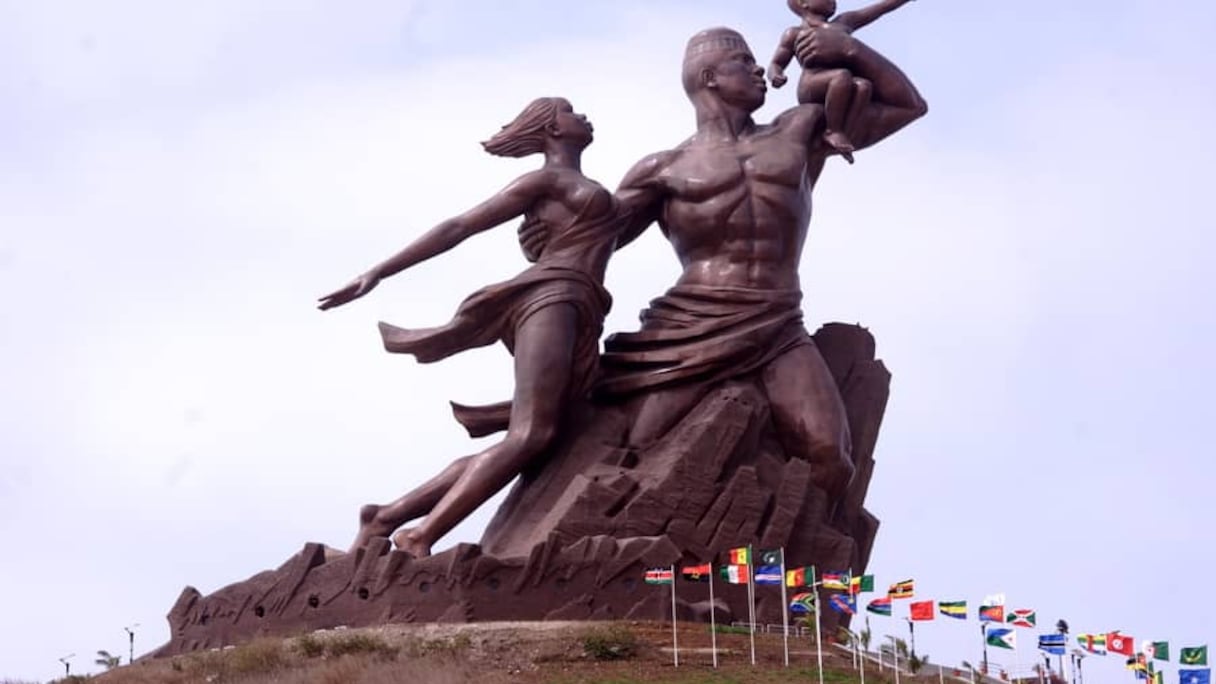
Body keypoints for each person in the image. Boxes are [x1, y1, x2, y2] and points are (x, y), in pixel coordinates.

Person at [594, 26, 926, 504]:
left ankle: (758, 567)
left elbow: (906, 106)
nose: (758, 69)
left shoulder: (799, 131)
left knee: (830, 458)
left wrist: (849, 49)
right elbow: (593, 239)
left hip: (777, 322)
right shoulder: (663, 169)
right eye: (743, 61)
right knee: (637, 448)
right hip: (690, 323)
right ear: (709, 77)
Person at [317, 98, 621, 556]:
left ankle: (387, 515)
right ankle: (419, 535)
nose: (582, 115)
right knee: (531, 434)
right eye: (569, 111)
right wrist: (379, 271)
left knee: (545, 436)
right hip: (551, 297)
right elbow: (460, 225)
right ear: (550, 128)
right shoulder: (546, 180)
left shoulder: (586, 189)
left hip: (583, 307)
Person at [767, 0, 917, 162]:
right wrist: (776, 75)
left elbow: (875, 11)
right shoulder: (794, 33)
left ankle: (846, 133)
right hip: (812, 82)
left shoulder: (842, 23)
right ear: (804, 3)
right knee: (842, 76)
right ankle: (833, 131)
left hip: (839, 81)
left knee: (863, 86)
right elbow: (776, 63)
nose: (833, 1)